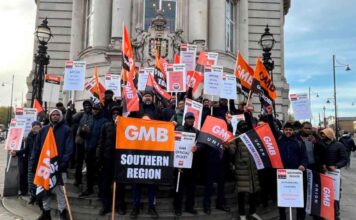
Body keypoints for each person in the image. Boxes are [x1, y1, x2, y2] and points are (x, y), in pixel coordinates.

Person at [31, 109, 73, 220]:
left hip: (59, 167)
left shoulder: (67, 130)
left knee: (60, 192)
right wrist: (35, 163)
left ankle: (62, 213)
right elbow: (36, 148)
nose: (55, 116)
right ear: (50, 116)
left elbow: (69, 149)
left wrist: (63, 163)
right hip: (45, 166)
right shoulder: (43, 130)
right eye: (53, 115)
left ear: (60, 116)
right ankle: (46, 213)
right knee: (45, 190)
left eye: (57, 115)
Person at [129, 91, 161, 219]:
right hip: (138, 150)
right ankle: (135, 207)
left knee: (152, 181)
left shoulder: (158, 111)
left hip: (153, 151)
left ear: (153, 99)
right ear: (143, 98)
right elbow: (129, 123)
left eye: (150, 96)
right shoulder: (136, 110)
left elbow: (164, 125)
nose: (148, 98)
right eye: (146, 96)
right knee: (137, 180)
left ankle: (151, 207)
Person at [228, 107, 262, 220]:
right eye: (242, 126)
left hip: (253, 169)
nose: (244, 128)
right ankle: (242, 214)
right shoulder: (235, 138)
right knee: (241, 193)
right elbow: (232, 152)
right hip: (241, 169)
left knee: (253, 192)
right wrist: (228, 147)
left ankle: (253, 212)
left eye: (245, 126)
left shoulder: (251, 137)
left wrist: (247, 114)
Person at [98, 105, 126, 215]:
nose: (115, 115)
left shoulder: (125, 126)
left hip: (121, 159)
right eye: (114, 113)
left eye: (117, 113)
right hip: (107, 159)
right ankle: (106, 205)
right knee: (105, 184)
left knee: (120, 184)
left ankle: (120, 205)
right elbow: (101, 143)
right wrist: (99, 159)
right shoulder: (106, 126)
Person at [277, 122, 308, 220]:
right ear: (283, 130)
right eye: (286, 130)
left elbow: (305, 157)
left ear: (293, 131)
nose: (288, 132)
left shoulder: (299, 142)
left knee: (299, 199)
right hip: (283, 175)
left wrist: (303, 165)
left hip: (297, 175)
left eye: (290, 130)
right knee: (282, 199)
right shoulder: (279, 140)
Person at [173, 112, 199, 216]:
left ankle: (189, 207)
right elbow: (174, 146)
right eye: (188, 118)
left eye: (192, 119)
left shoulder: (196, 132)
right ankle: (177, 208)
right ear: (185, 119)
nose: (190, 120)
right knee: (179, 187)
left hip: (192, 164)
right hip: (180, 165)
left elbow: (200, 145)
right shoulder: (178, 130)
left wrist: (197, 148)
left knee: (191, 188)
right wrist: (176, 164)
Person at [319, 128, 347, 220]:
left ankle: (336, 214)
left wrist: (336, 166)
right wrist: (321, 164)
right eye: (321, 135)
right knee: (324, 194)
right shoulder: (321, 144)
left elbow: (344, 159)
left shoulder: (339, 145)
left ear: (330, 135)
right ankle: (324, 213)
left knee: (335, 194)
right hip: (323, 173)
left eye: (324, 135)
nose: (323, 137)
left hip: (334, 174)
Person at [80, 103, 108, 197]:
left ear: (100, 110)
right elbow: (83, 135)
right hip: (88, 149)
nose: (95, 110)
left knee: (100, 171)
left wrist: (100, 148)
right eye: (94, 109)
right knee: (89, 171)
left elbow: (104, 136)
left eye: (97, 109)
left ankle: (101, 191)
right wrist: (82, 131)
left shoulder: (104, 121)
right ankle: (89, 189)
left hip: (99, 150)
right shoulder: (89, 119)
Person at [11, 121, 42, 198]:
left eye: (37, 126)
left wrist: (39, 134)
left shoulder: (43, 135)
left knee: (39, 179)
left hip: (40, 160)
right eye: (34, 127)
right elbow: (26, 149)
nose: (35, 128)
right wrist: (16, 153)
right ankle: (33, 195)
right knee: (30, 179)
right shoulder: (30, 136)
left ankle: (39, 196)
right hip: (31, 160)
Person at [73, 100, 93, 187]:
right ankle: (78, 179)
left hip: (89, 141)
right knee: (78, 162)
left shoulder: (93, 115)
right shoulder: (81, 114)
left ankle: (88, 182)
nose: (87, 107)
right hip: (80, 141)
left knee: (89, 162)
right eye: (85, 105)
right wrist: (70, 110)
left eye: (89, 105)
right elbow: (71, 119)